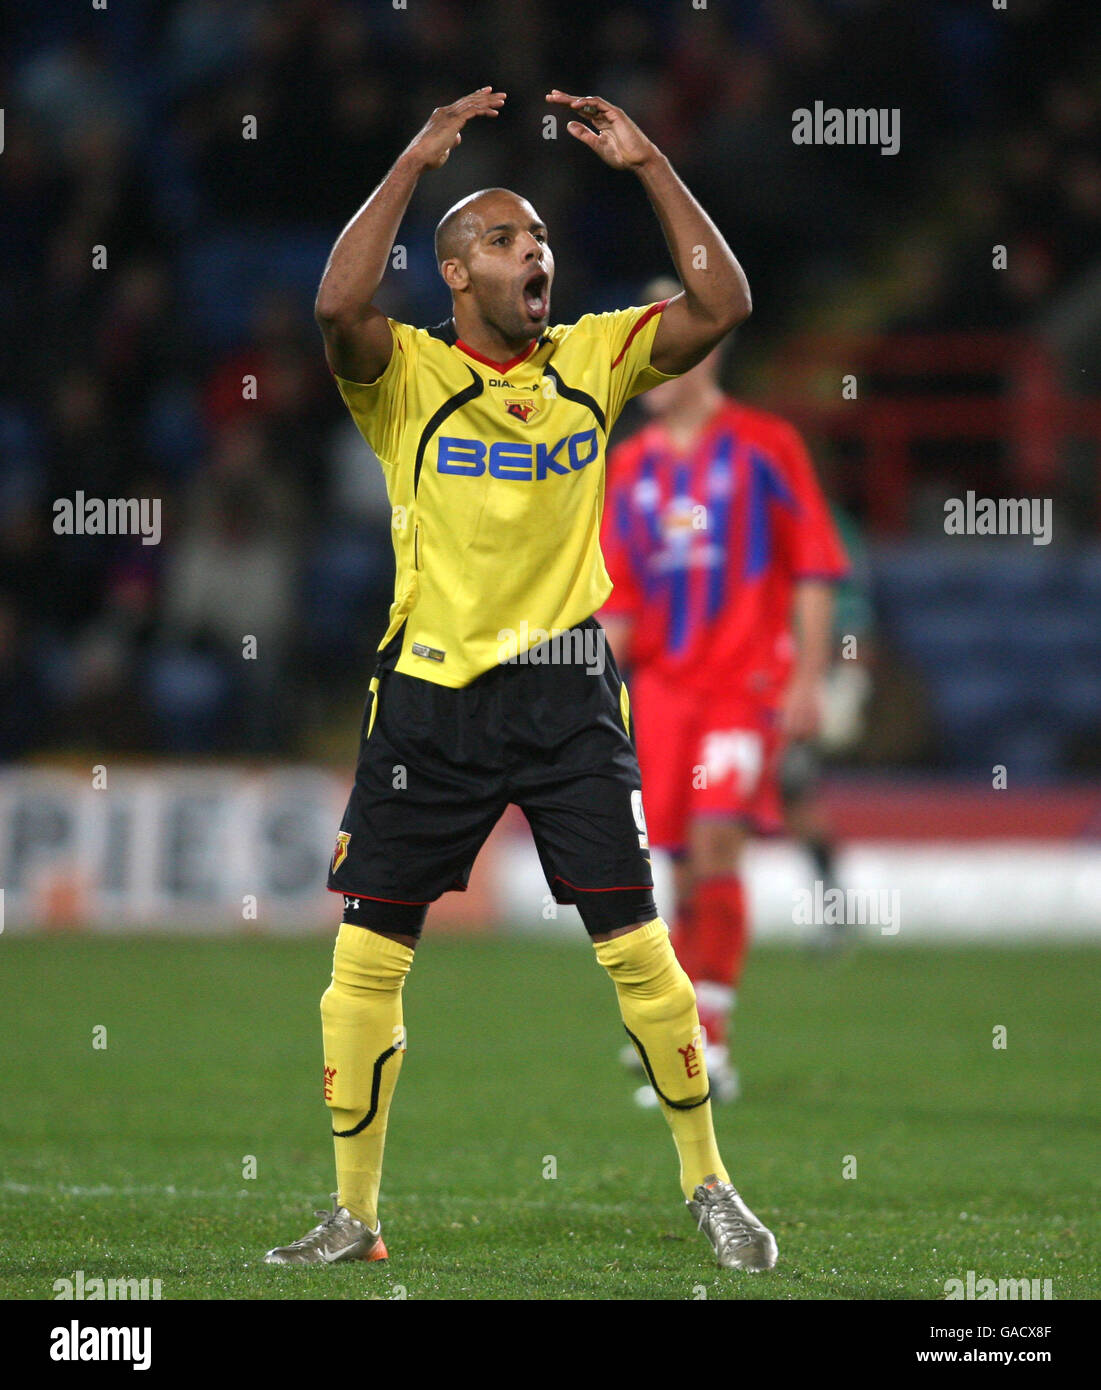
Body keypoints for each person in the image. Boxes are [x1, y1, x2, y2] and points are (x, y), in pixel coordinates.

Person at [263, 88, 777, 1273]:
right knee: (367, 959)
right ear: (454, 272)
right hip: (430, 699)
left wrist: (651, 161)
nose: (532, 253)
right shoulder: (404, 375)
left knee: (639, 948)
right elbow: (338, 299)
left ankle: (710, 1184)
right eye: (503, 238)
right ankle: (354, 1213)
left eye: (540, 238)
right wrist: (410, 158)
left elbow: (725, 303)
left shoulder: (593, 355)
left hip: (565, 693)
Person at [599, 284, 849, 1104]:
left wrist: (808, 679)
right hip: (661, 698)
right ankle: (676, 1022)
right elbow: (620, 608)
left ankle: (711, 1043)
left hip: (742, 688)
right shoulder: (629, 466)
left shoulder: (765, 446)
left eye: (658, 343)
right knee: (668, 871)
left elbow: (813, 568)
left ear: (701, 347)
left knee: (716, 844)